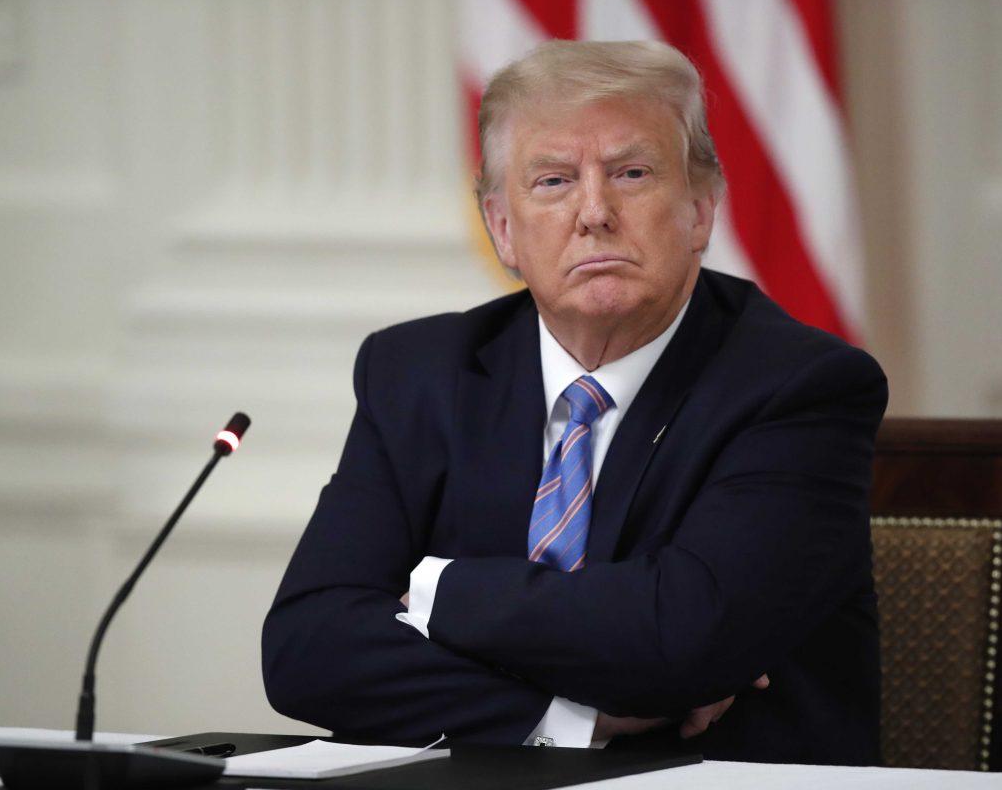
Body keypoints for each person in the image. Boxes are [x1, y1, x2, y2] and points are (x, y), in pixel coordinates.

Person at [262, 40, 887, 764]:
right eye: (554, 181)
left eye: (631, 173)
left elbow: (681, 639)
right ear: (503, 229)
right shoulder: (417, 375)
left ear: (700, 210)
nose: (594, 212)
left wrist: (437, 592)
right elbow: (307, 649)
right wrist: (569, 717)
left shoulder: (798, 386)